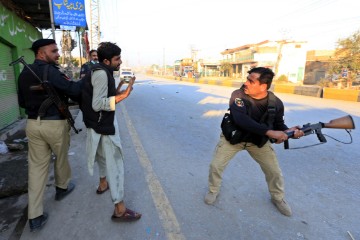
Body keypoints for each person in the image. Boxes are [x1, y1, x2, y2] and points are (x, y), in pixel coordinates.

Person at [204, 67, 304, 217]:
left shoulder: (276, 103)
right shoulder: (238, 95)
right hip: (234, 138)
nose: (245, 83)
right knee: (215, 166)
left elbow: (278, 125)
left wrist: (289, 132)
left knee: (274, 172)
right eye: (247, 79)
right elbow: (242, 120)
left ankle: (278, 198)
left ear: (263, 86)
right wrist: (270, 132)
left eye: (251, 81)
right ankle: (213, 190)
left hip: (258, 142)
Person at [17, 39, 82, 232]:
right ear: (41, 53)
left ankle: (35, 217)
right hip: (54, 125)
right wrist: (86, 79)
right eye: (54, 51)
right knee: (61, 158)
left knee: (36, 169)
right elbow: (74, 90)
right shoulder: (51, 72)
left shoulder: (23, 73)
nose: (58, 54)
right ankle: (61, 188)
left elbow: (21, 102)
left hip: (32, 124)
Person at [80, 42, 141, 221]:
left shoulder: (101, 71)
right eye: (117, 59)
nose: (120, 62)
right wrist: (124, 95)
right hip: (104, 127)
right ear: (106, 61)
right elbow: (98, 104)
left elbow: (102, 95)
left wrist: (119, 87)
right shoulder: (100, 74)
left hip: (97, 125)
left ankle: (102, 184)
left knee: (101, 158)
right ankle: (119, 209)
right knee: (116, 165)